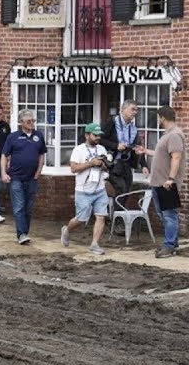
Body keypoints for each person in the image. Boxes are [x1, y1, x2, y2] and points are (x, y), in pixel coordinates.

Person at [61, 122, 111, 255]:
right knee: (81, 218)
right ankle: (67, 229)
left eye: (99, 135)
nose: (97, 138)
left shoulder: (102, 149)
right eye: (95, 135)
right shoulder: (79, 150)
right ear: (87, 135)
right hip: (83, 189)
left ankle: (94, 244)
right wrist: (90, 163)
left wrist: (103, 165)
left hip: (99, 188)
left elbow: (107, 166)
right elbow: (73, 168)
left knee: (101, 216)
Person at [1, 109, 47, 245]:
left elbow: (41, 154)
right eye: (29, 121)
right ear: (21, 122)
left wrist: (39, 171)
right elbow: (4, 155)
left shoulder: (39, 136)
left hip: (32, 178)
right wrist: (4, 173)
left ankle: (25, 232)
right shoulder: (13, 137)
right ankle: (21, 234)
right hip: (16, 177)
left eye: (33, 121)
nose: (32, 123)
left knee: (29, 207)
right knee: (19, 206)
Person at [149, 106, 185, 258]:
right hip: (159, 182)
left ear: (162, 118)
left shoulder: (175, 135)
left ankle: (169, 246)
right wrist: (145, 152)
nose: (158, 121)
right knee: (163, 214)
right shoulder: (167, 135)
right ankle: (172, 242)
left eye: (158, 118)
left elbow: (176, 157)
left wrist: (171, 179)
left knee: (169, 215)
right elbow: (161, 155)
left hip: (167, 183)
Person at [99, 100, 149, 201]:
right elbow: (99, 140)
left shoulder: (133, 128)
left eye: (136, 110)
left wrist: (144, 165)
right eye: (132, 109)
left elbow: (137, 147)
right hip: (113, 164)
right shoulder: (112, 123)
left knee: (126, 192)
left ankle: (117, 214)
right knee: (121, 190)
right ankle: (117, 215)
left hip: (127, 164)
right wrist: (115, 146)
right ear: (123, 109)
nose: (135, 112)